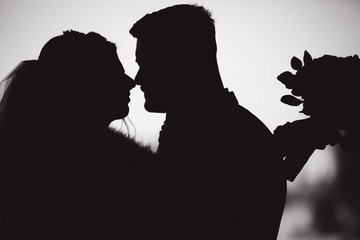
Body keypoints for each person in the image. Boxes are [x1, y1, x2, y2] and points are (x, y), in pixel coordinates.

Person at [130, 4, 287, 239]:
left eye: (149, 64)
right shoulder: (211, 131)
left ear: (184, 61)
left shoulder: (235, 143)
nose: (138, 79)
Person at [0, 30, 154, 239]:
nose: (130, 82)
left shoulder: (41, 158)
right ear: (89, 83)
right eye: (116, 73)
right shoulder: (106, 168)